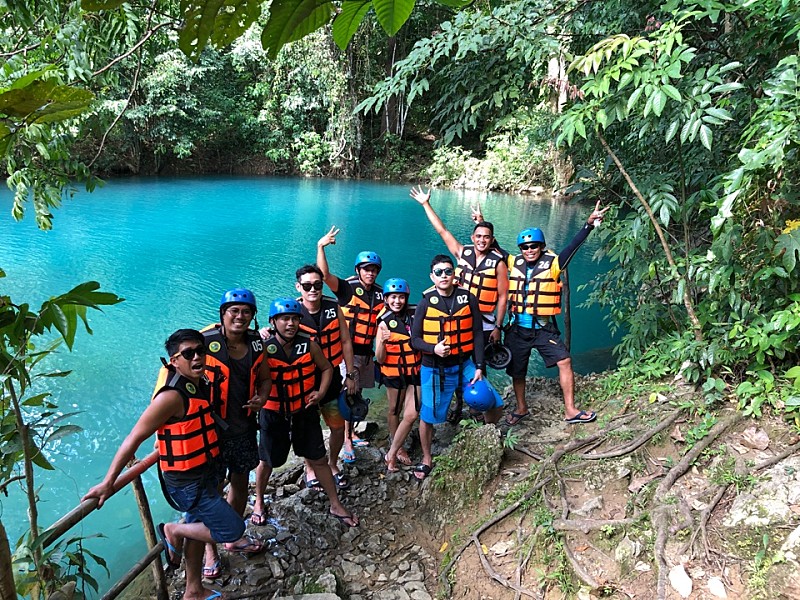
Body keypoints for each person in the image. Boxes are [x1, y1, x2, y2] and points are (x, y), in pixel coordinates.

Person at [84, 330, 261, 600]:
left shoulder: (199, 381)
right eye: (188, 353)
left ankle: (193, 590)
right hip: (189, 482)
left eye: (201, 351)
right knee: (232, 529)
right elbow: (133, 438)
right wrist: (109, 482)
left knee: (197, 528)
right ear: (174, 360)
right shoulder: (171, 397)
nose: (197, 357)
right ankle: (172, 530)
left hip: (206, 470)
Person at [252, 298, 358, 527]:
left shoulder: (309, 345)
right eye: (284, 319)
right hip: (273, 414)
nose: (290, 324)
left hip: (304, 410)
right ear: (273, 322)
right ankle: (259, 501)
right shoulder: (263, 348)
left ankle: (335, 503)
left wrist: (320, 393)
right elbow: (252, 377)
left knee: (318, 458)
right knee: (267, 461)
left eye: (294, 319)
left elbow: (327, 367)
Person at [504, 201, 610, 426]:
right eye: (525, 247)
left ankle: (570, 410)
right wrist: (481, 223)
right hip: (516, 328)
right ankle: (521, 407)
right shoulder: (513, 263)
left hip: (543, 327)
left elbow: (573, 247)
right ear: (520, 250)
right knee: (517, 370)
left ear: (541, 246)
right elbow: (492, 247)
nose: (529, 250)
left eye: (534, 245)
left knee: (564, 361)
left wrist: (588, 225)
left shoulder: (553, 264)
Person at [410, 255, 504, 480]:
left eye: (448, 271)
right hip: (434, 367)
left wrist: (480, 365)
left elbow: (477, 336)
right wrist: (433, 348)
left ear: (454, 275)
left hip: (464, 364)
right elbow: (414, 340)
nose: (444, 276)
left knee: (495, 402)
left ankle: (484, 436)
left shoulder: (468, 298)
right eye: (439, 272)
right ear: (432, 276)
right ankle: (426, 458)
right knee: (428, 416)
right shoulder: (425, 302)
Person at [200, 288, 270, 577]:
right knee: (211, 492)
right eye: (234, 311)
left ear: (253, 317)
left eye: (246, 312)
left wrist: (262, 398)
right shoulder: (204, 344)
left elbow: (265, 379)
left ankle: (232, 536)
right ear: (223, 314)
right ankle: (209, 551)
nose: (240, 316)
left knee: (240, 484)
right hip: (211, 431)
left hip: (242, 428)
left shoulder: (256, 345)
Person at [409, 187, 509, 346]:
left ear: (492, 240)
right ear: (472, 237)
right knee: (456, 355)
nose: (481, 241)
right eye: (478, 237)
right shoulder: (462, 253)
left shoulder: (499, 263)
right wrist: (426, 204)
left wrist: (498, 326)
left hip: (484, 320)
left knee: (480, 361)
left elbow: (503, 296)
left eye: (486, 237)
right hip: (458, 313)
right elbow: (442, 231)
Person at [316, 226, 384, 456]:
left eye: (374, 270)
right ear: (358, 270)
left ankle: (352, 432)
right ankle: (346, 440)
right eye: (366, 269)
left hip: (366, 353)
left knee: (358, 394)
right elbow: (324, 276)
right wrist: (321, 246)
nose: (370, 273)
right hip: (348, 351)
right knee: (348, 393)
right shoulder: (347, 288)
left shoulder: (380, 294)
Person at [292, 265, 357, 490]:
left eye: (317, 285)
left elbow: (346, 341)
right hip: (304, 381)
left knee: (337, 426)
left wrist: (350, 374)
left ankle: (331, 463)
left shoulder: (332, 307)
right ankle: (310, 468)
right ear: (298, 287)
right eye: (307, 285)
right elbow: (276, 336)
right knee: (308, 428)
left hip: (332, 379)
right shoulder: (292, 313)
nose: (313, 290)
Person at [374, 278, 421, 472]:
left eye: (401, 297)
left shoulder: (415, 313)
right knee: (394, 409)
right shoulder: (383, 322)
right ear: (386, 299)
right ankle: (397, 446)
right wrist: (383, 342)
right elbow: (379, 357)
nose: (397, 301)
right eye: (393, 297)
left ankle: (392, 452)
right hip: (393, 371)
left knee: (412, 413)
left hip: (415, 370)